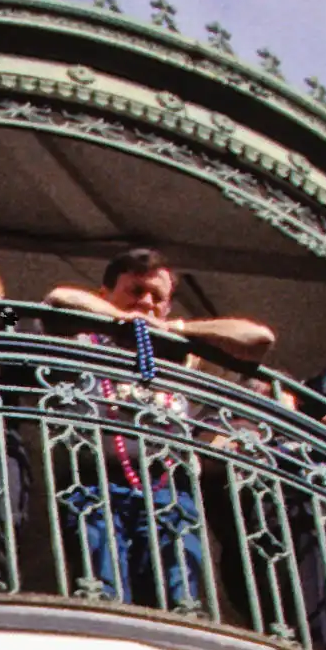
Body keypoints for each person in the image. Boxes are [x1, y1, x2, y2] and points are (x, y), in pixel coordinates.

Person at [43, 245, 277, 613]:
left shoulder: (182, 352)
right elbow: (60, 298)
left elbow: (259, 339)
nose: (147, 302)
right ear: (106, 293)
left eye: (157, 297)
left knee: (180, 598)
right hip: (96, 484)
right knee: (103, 594)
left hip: (170, 491)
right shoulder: (84, 339)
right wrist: (122, 320)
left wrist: (175, 329)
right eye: (136, 291)